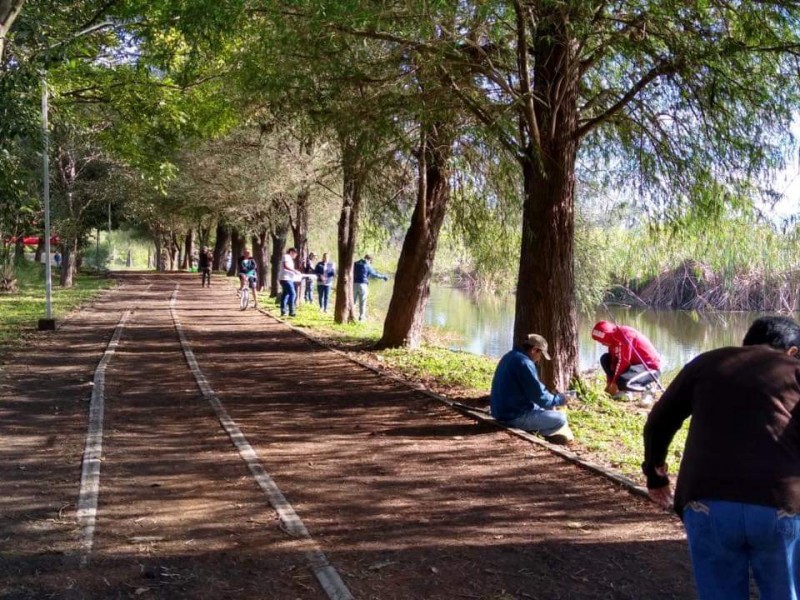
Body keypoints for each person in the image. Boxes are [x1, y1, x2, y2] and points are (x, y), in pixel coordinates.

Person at [642, 316, 800, 600]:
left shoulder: (706, 363)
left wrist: (656, 476)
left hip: (706, 501)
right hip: (779, 505)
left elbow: (658, 422)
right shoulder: (795, 371)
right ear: (793, 351)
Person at [489, 333, 574, 445]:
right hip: (513, 416)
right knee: (560, 419)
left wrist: (550, 403)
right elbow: (540, 396)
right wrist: (561, 400)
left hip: (500, 411)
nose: (539, 359)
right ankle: (539, 435)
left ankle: (536, 431)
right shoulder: (525, 363)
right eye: (540, 354)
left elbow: (534, 394)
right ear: (534, 350)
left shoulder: (510, 356)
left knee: (548, 409)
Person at [591, 320, 661, 396]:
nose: (602, 344)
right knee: (605, 359)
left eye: (602, 341)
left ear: (606, 337)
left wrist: (614, 384)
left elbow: (624, 361)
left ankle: (648, 388)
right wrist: (609, 383)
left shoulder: (624, 334)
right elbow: (613, 364)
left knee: (624, 382)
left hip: (649, 368)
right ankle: (626, 390)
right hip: (634, 367)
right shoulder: (612, 343)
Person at [353, 254, 389, 322]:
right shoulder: (368, 265)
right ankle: (361, 318)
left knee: (353, 301)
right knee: (362, 303)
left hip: (354, 284)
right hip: (363, 285)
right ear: (370, 260)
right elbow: (375, 274)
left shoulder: (355, 263)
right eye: (371, 261)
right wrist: (383, 276)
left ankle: (350, 315)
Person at [278, 247, 300, 317]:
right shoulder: (286, 256)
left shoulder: (290, 259)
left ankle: (283, 311)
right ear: (291, 252)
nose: (295, 256)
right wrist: (294, 271)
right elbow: (286, 266)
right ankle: (291, 311)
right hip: (285, 279)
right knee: (293, 294)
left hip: (289, 278)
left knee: (285, 295)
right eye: (295, 254)